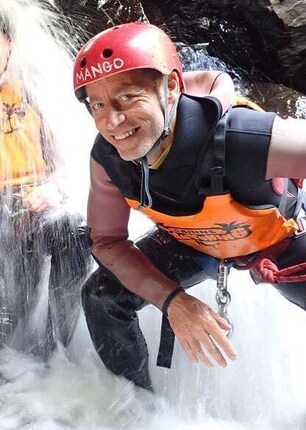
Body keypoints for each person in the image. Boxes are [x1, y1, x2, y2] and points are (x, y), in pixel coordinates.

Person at [73, 21, 306, 390]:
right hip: (192, 243)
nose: (111, 121)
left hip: (280, 243)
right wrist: (173, 301)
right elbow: (107, 243)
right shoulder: (108, 159)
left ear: (171, 88)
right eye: (97, 105)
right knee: (103, 296)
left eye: (127, 98)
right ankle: (135, 415)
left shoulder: (242, 138)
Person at [0, 10, 93, 363]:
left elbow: (69, 162)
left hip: (32, 205)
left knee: (72, 230)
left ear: (9, 46)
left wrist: (54, 190)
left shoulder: (32, 93)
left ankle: (55, 351)